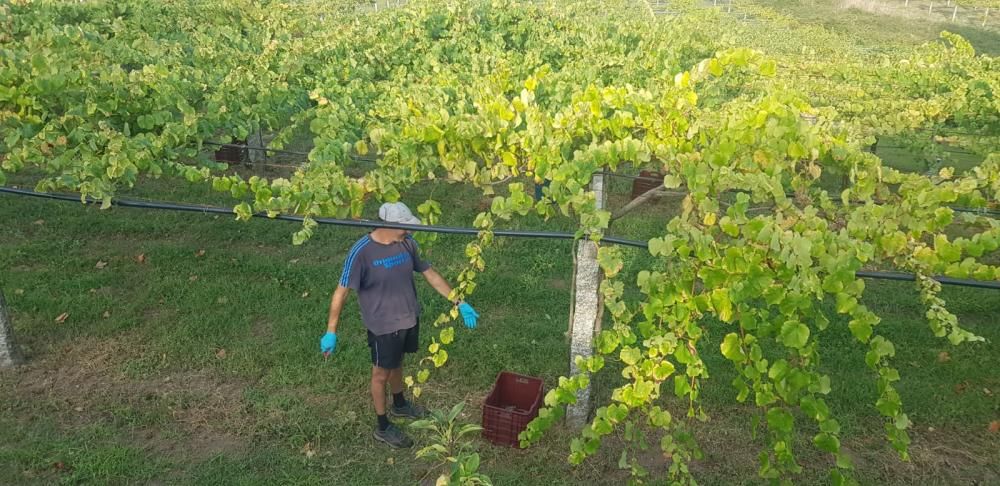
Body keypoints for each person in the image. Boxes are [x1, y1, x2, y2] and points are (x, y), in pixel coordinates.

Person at [320, 201, 480, 448]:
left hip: (408, 318)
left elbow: (430, 274)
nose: (408, 231)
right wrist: (331, 331)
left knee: (398, 363)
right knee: (380, 373)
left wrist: (459, 302)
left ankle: (400, 404)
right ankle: (383, 426)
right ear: (388, 225)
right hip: (382, 326)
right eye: (404, 227)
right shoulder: (362, 251)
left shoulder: (407, 243)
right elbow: (340, 293)